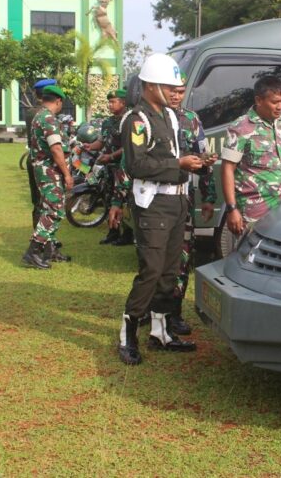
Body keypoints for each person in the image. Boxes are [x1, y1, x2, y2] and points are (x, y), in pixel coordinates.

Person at [116, 53, 208, 365]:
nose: (175, 92)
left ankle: (160, 332)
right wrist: (177, 164)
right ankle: (127, 332)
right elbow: (137, 164)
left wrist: (194, 163)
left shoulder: (169, 117)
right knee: (151, 270)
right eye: (168, 86)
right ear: (151, 86)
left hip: (177, 199)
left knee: (170, 271)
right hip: (153, 203)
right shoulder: (136, 120)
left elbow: (174, 157)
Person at [166, 73, 218, 335]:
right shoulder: (150, 118)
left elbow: (204, 158)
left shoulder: (192, 120)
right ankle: (151, 311)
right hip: (153, 201)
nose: (176, 95)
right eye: (172, 90)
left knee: (183, 257)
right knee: (152, 258)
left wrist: (209, 198)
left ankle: (173, 313)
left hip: (184, 200)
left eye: (181, 91)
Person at [221, 75, 281, 236]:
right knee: (249, 258)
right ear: (259, 100)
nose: (280, 106)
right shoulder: (240, 128)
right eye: (274, 102)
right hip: (254, 213)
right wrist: (231, 209)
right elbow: (227, 168)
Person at [22, 85, 74, 269]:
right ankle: (33, 251)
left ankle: (48, 250)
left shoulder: (39, 116)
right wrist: (67, 174)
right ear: (58, 101)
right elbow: (56, 148)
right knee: (54, 210)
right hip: (49, 171)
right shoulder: (48, 119)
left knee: (50, 208)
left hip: (44, 171)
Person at [97, 89, 134, 246]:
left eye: (113, 102)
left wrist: (111, 156)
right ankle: (113, 232)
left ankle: (126, 234)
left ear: (123, 102)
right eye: (109, 102)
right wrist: (88, 146)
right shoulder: (107, 122)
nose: (110, 105)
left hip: (123, 168)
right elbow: (101, 142)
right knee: (109, 198)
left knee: (123, 200)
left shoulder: (130, 120)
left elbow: (129, 147)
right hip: (109, 168)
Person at [25, 78, 56, 230]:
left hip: (33, 159)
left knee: (39, 201)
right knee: (45, 202)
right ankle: (42, 240)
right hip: (43, 162)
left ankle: (41, 239)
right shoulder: (45, 114)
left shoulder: (31, 112)